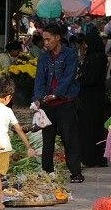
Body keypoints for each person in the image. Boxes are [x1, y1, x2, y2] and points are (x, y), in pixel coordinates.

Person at [32, 22, 84, 183]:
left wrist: (56, 94)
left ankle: (76, 172)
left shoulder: (69, 54)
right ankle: (47, 172)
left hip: (65, 102)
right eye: (44, 39)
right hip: (48, 104)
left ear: (57, 38)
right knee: (47, 140)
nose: (45, 43)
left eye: (48, 39)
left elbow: (68, 77)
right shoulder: (43, 56)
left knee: (70, 138)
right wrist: (38, 98)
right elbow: (39, 79)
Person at [0, 77, 36, 210]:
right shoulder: (8, 111)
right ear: (8, 97)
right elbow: (19, 129)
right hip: (5, 148)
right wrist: (29, 147)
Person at [77, 32, 108, 167]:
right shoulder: (95, 56)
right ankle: (94, 157)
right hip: (93, 97)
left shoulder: (96, 58)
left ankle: (90, 158)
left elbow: (90, 78)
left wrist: (78, 81)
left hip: (91, 98)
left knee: (90, 127)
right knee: (93, 127)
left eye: (86, 43)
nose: (84, 46)